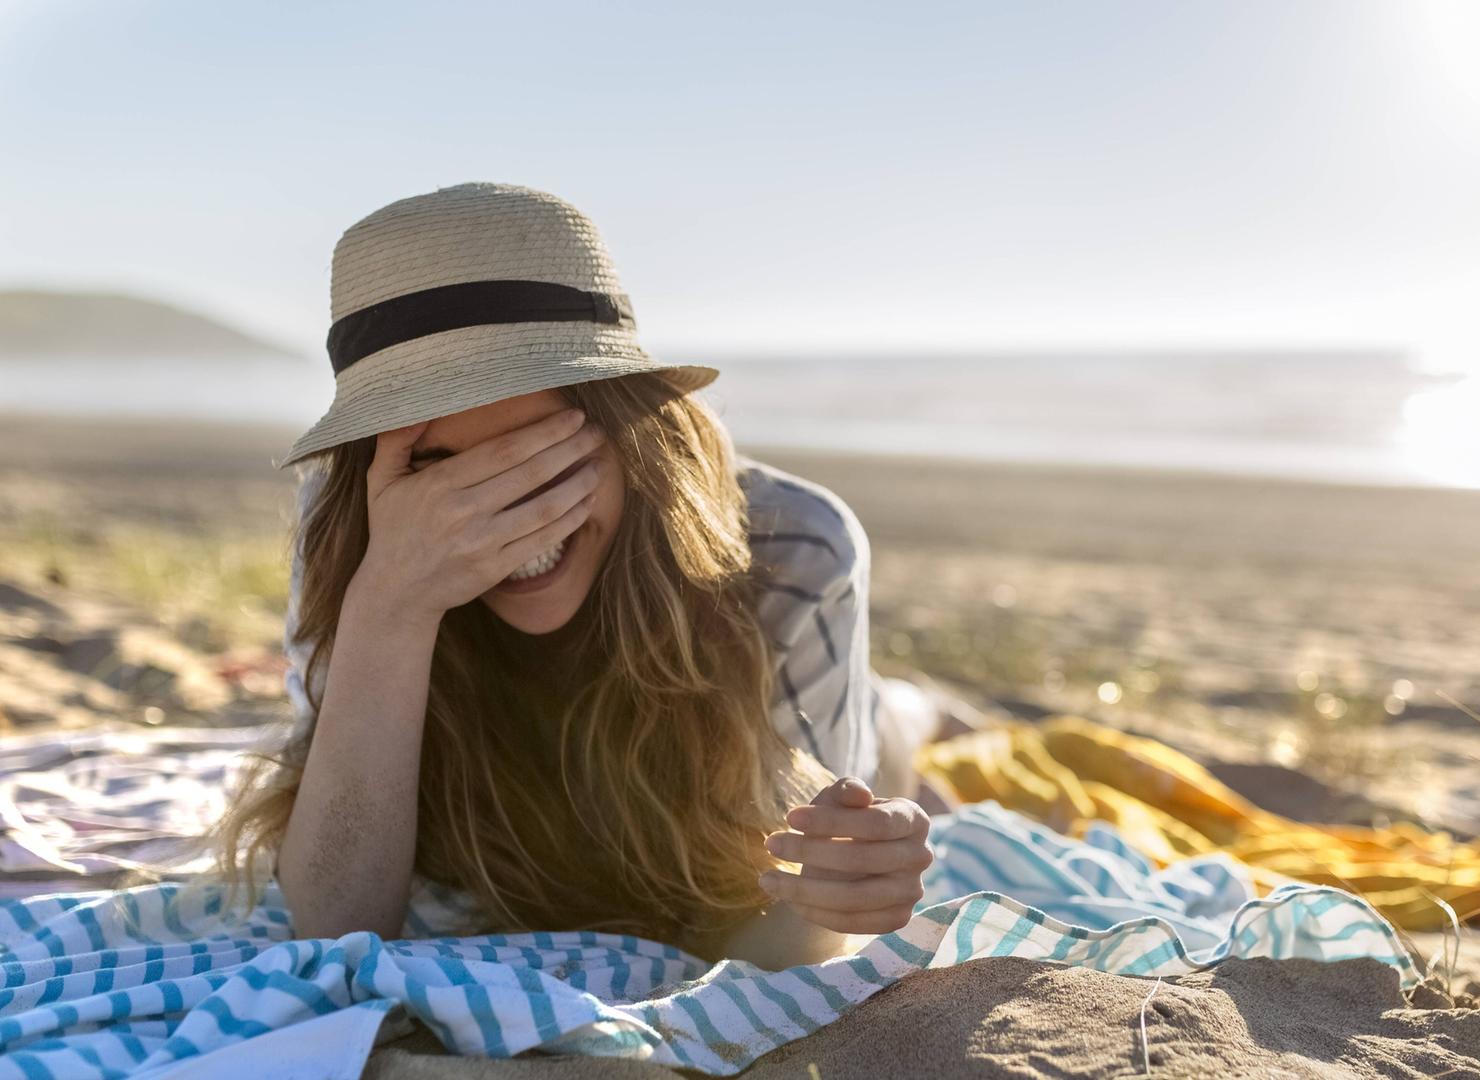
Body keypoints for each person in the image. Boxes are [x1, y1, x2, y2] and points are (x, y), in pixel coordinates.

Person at [206, 181, 941, 969]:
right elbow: (337, 921)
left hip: (856, 720)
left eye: (541, 455)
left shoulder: (798, 548)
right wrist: (391, 600)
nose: (500, 522)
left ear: (634, 437)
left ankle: (924, 708)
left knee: (901, 726)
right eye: (443, 473)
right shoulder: (357, 528)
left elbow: (785, 941)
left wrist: (843, 894)